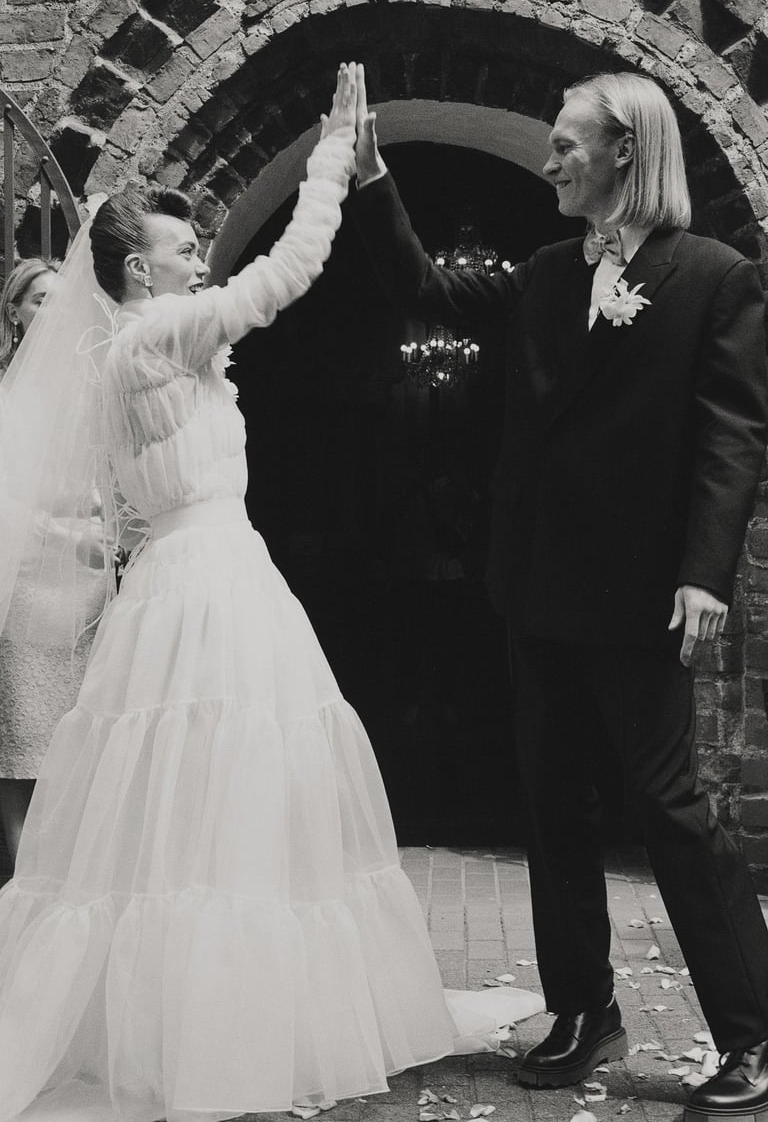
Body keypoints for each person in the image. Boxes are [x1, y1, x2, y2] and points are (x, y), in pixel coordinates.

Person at [0, 64, 542, 1122]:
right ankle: (218, 1031)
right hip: (206, 588)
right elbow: (285, 273)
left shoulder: (139, 353)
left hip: (194, 580)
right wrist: (334, 158)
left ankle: (224, 1010)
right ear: (140, 271)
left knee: (210, 796)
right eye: (182, 247)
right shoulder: (154, 337)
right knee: (223, 779)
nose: (199, 256)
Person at [350, 65, 768, 1122]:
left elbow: (732, 437)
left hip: (642, 591)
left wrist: (703, 571)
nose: (549, 163)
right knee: (552, 802)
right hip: (537, 584)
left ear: (626, 150)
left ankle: (752, 1031)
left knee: (672, 810)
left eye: (567, 145)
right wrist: (370, 181)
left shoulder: (714, 277)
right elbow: (427, 292)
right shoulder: (545, 271)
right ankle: (585, 1009)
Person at [0, 257, 110, 866]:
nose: (52, 312)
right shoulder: (5, 390)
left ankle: (75, 880)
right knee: (23, 743)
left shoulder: (95, 382)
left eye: (61, 300)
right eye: (40, 299)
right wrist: (65, 535)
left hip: (90, 585)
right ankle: (22, 884)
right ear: (14, 311)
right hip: (25, 578)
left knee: (82, 740)